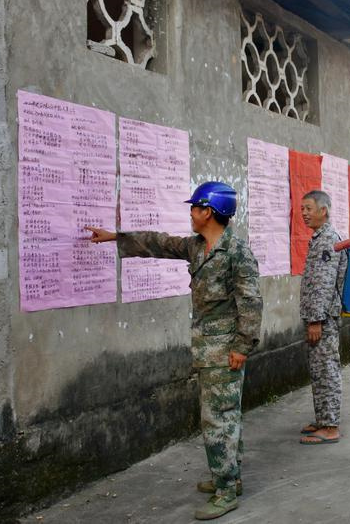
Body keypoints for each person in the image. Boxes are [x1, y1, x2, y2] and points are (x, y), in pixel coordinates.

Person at [85, 181, 263, 520]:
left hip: (225, 352)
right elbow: (158, 243)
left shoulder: (237, 252)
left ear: (208, 211)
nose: (191, 214)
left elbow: (251, 303)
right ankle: (230, 476)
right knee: (225, 417)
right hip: (208, 349)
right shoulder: (197, 247)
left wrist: (242, 347)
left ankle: (226, 490)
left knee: (218, 421)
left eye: (194, 208)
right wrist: (114, 237)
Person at [298, 190, 347, 445]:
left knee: (326, 370)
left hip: (323, 319)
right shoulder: (319, 238)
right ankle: (322, 419)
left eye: (308, 208)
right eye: (302, 208)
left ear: (323, 210)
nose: (304, 213)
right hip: (318, 317)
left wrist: (316, 319)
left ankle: (330, 426)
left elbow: (324, 284)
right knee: (318, 370)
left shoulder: (328, 239)